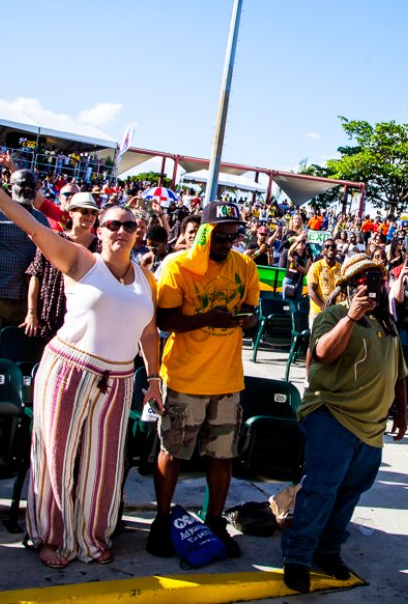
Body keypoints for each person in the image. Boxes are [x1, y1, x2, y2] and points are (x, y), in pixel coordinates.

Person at [0, 161, 159, 569]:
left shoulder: (145, 278)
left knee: (102, 462)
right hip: (69, 369)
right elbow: (33, 228)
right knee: (56, 455)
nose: (120, 231)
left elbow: (150, 332)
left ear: (138, 234)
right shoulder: (80, 260)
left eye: (129, 226)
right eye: (112, 225)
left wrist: (154, 378)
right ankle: (50, 536)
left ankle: (90, 536)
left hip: (119, 379)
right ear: (98, 230)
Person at [281, 254, 408, 593]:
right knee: (321, 490)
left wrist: (403, 413)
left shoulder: (387, 324)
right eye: (364, 278)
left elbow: (399, 373)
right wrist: (351, 317)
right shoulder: (334, 314)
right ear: (350, 286)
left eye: (377, 278)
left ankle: (328, 550)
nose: (372, 284)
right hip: (332, 416)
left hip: (372, 426)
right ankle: (297, 558)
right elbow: (323, 352)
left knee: (350, 493)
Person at [148, 201, 260, 559]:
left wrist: (246, 321)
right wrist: (206, 318)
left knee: (222, 455)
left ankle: (214, 522)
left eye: (233, 236)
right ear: (203, 234)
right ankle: (162, 521)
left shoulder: (244, 266)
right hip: (184, 377)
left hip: (227, 379)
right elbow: (164, 321)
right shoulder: (178, 266)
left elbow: (253, 314)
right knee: (172, 452)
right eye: (221, 236)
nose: (228, 243)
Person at [0, 169, 47, 342]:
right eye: (22, 184)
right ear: (10, 187)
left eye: (32, 186)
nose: (28, 189)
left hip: (26, 301)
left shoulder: (41, 220)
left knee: (17, 349)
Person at [22, 191, 100, 341]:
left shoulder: (101, 247)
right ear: (71, 212)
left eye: (93, 212)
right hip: (50, 315)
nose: (89, 216)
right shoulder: (54, 239)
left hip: (83, 320)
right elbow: (35, 275)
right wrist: (31, 312)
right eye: (84, 211)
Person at [306, 239, 340, 329]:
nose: (330, 248)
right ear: (322, 250)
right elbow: (311, 291)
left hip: (336, 314)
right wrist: (324, 308)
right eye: (327, 246)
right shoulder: (316, 266)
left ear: (336, 250)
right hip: (318, 313)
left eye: (333, 246)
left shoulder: (341, 268)